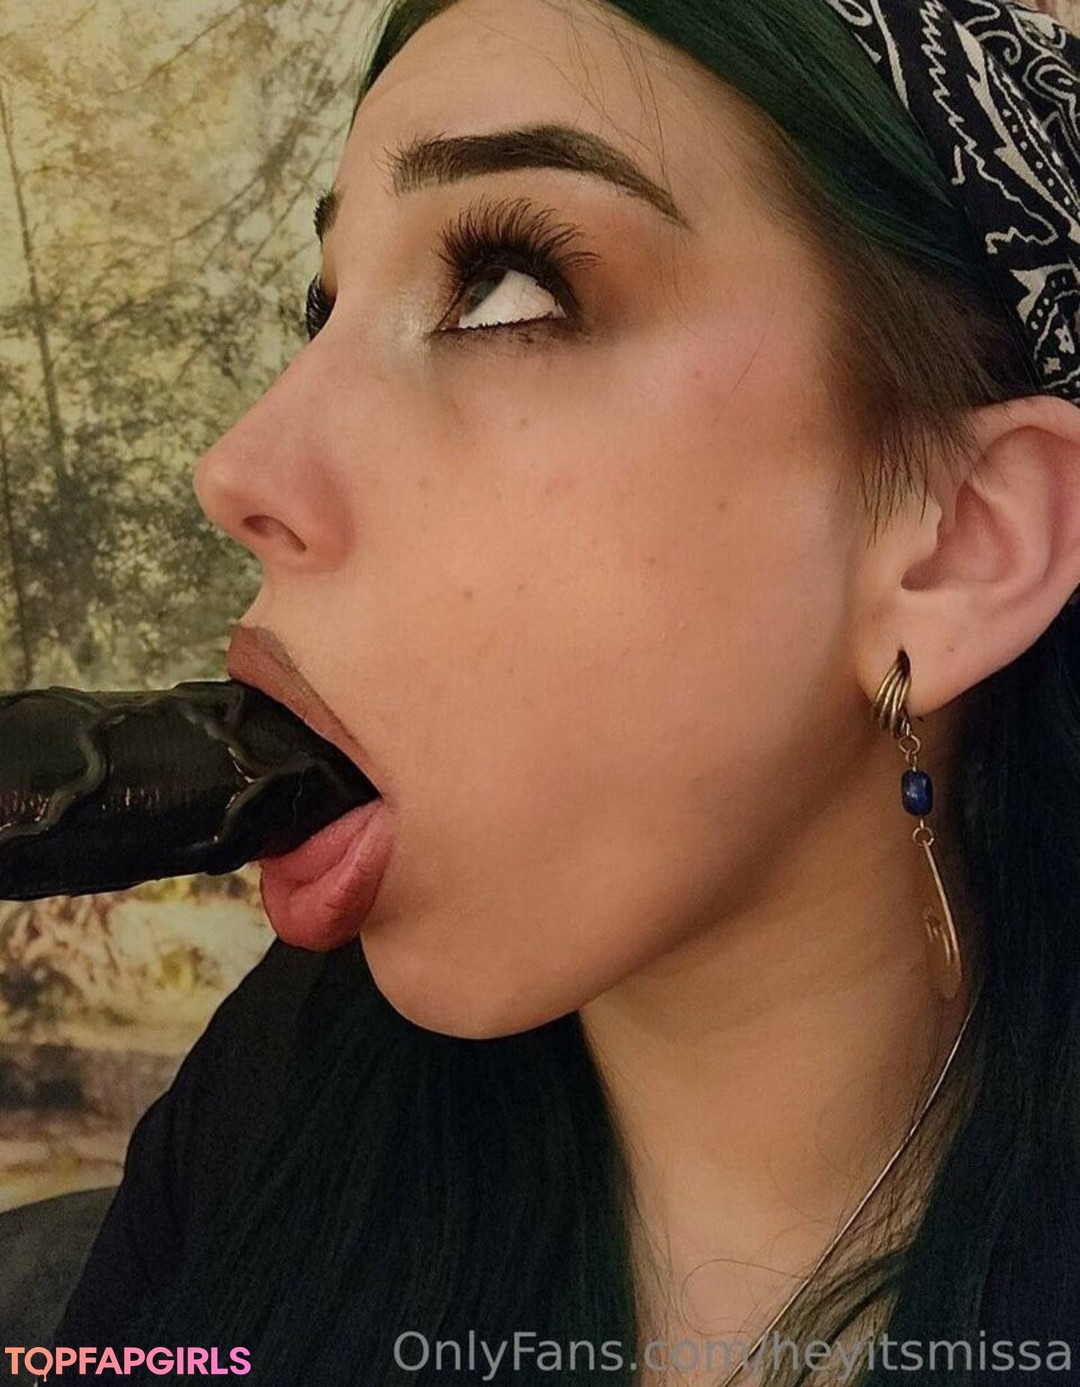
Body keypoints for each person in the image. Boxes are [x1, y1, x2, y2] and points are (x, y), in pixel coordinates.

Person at [46, 0, 1080, 1383]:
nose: (238, 471)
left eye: (505, 293)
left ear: (960, 551)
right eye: (322, 310)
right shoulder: (281, 1089)